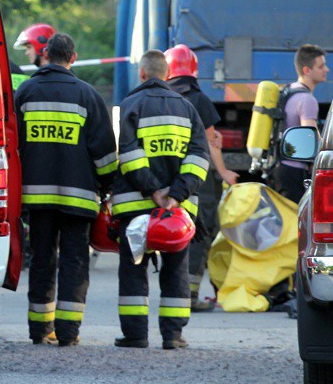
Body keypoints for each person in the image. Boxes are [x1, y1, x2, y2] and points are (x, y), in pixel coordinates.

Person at [14, 33, 117, 346]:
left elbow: (11, 144)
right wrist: (108, 188)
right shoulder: (87, 96)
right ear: (73, 57)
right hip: (79, 199)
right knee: (74, 263)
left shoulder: (26, 91)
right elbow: (105, 154)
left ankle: (38, 330)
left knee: (42, 260)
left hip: (36, 200)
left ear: (45, 55)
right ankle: (68, 333)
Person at [111, 50, 209, 349]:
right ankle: (173, 336)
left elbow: (128, 153)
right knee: (176, 268)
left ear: (142, 74)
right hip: (177, 210)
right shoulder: (188, 108)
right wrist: (176, 195)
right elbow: (199, 157)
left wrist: (152, 189)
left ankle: (136, 335)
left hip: (135, 205)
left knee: (133, 268)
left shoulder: (131, 104)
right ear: (167, 75)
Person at [164, 45, 239, 311]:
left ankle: (170, 292)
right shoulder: (199, 99)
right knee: (197, 232)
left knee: (167, 232)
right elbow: (211, 143)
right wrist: (224, 172)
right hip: (197, 178)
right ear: (193, 70)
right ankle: (190, 295)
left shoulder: (160, 97)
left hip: (164, 178)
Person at [271, 44, 327, 203]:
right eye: (321, 66)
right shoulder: (307, 100)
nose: (326, 70)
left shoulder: (289, 90)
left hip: (280, 166)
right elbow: (309, 138)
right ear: (307, 70)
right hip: (295, 171)